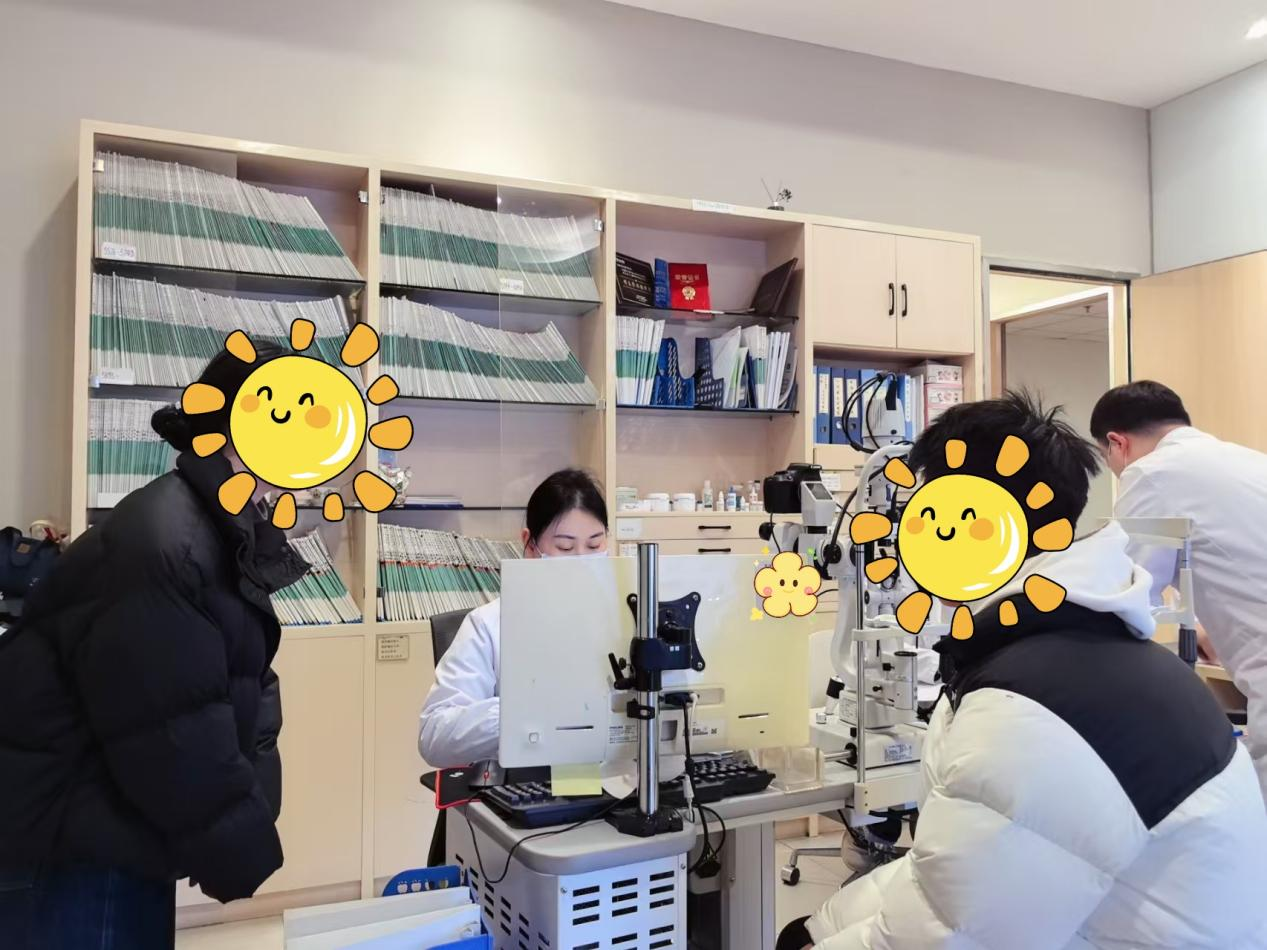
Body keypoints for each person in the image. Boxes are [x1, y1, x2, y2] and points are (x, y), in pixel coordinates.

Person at [780, 391, 1267, 950]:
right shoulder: (1069, 642)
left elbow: (954, 934)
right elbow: (949, 880)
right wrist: (822, 925)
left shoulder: (1033, 707)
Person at [0, 344, 307, 950]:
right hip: (69, 849)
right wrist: (237, 844)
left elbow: (234, 681)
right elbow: (170, 728)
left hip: (114, 828)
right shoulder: (168, 541)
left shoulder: (216, 526)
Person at [1091, 380, 1267, 798]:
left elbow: (1128, 595)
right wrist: (1209, 624)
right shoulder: (1247, 460)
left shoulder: (1150, 473)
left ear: (1117, 443)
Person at [418, 468, 609, 768]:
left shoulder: (630, 617)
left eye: (595, 546)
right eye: (565, 547)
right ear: (530, 546)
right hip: (525, 783)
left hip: (617, 779)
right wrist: (523, 711)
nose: (582, 560)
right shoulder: (489, 624)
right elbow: (435, 736)